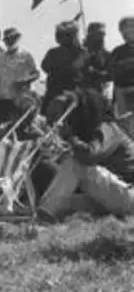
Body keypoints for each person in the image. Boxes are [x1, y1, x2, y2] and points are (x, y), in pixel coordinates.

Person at [38, 89, 134, 219]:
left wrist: (70, 137)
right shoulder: (97, 131)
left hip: (129, 193)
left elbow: (88, 156)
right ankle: (38, 211)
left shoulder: (109, 129)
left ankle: (44, 215)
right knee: (66, 202)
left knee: (76, 164)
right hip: (117, 192)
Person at [0, 27, 39, 123]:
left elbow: (36, 73)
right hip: (4, 98)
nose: (10, 41)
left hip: (20, 99)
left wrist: (25, 80)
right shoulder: (0, 57)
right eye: (7, 39)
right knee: (3, 126)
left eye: (13, 38)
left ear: (18, 38)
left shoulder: (26, 55)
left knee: (20, 125)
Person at [40, 21, 87, 113]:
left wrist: (57, 68)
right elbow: (45, 66)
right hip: (53, 91)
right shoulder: (53, 52)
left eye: (66, 35)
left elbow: (75, 68)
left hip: (73, 93)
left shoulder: (82, 53)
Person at [110, 16, 134, 136]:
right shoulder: (117, 52)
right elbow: (112, 74)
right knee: (127, 129)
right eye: (123, 31)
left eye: (130, 30)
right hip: (123, 94)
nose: (126, 34)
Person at [81, 22, 112, 97]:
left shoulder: (107, 55)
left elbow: (111, 75)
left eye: (102, 34)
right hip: (80, 92)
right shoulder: (80, 53)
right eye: (98, 33)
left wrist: (96, 72)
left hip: (100, 92)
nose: (101, 36)